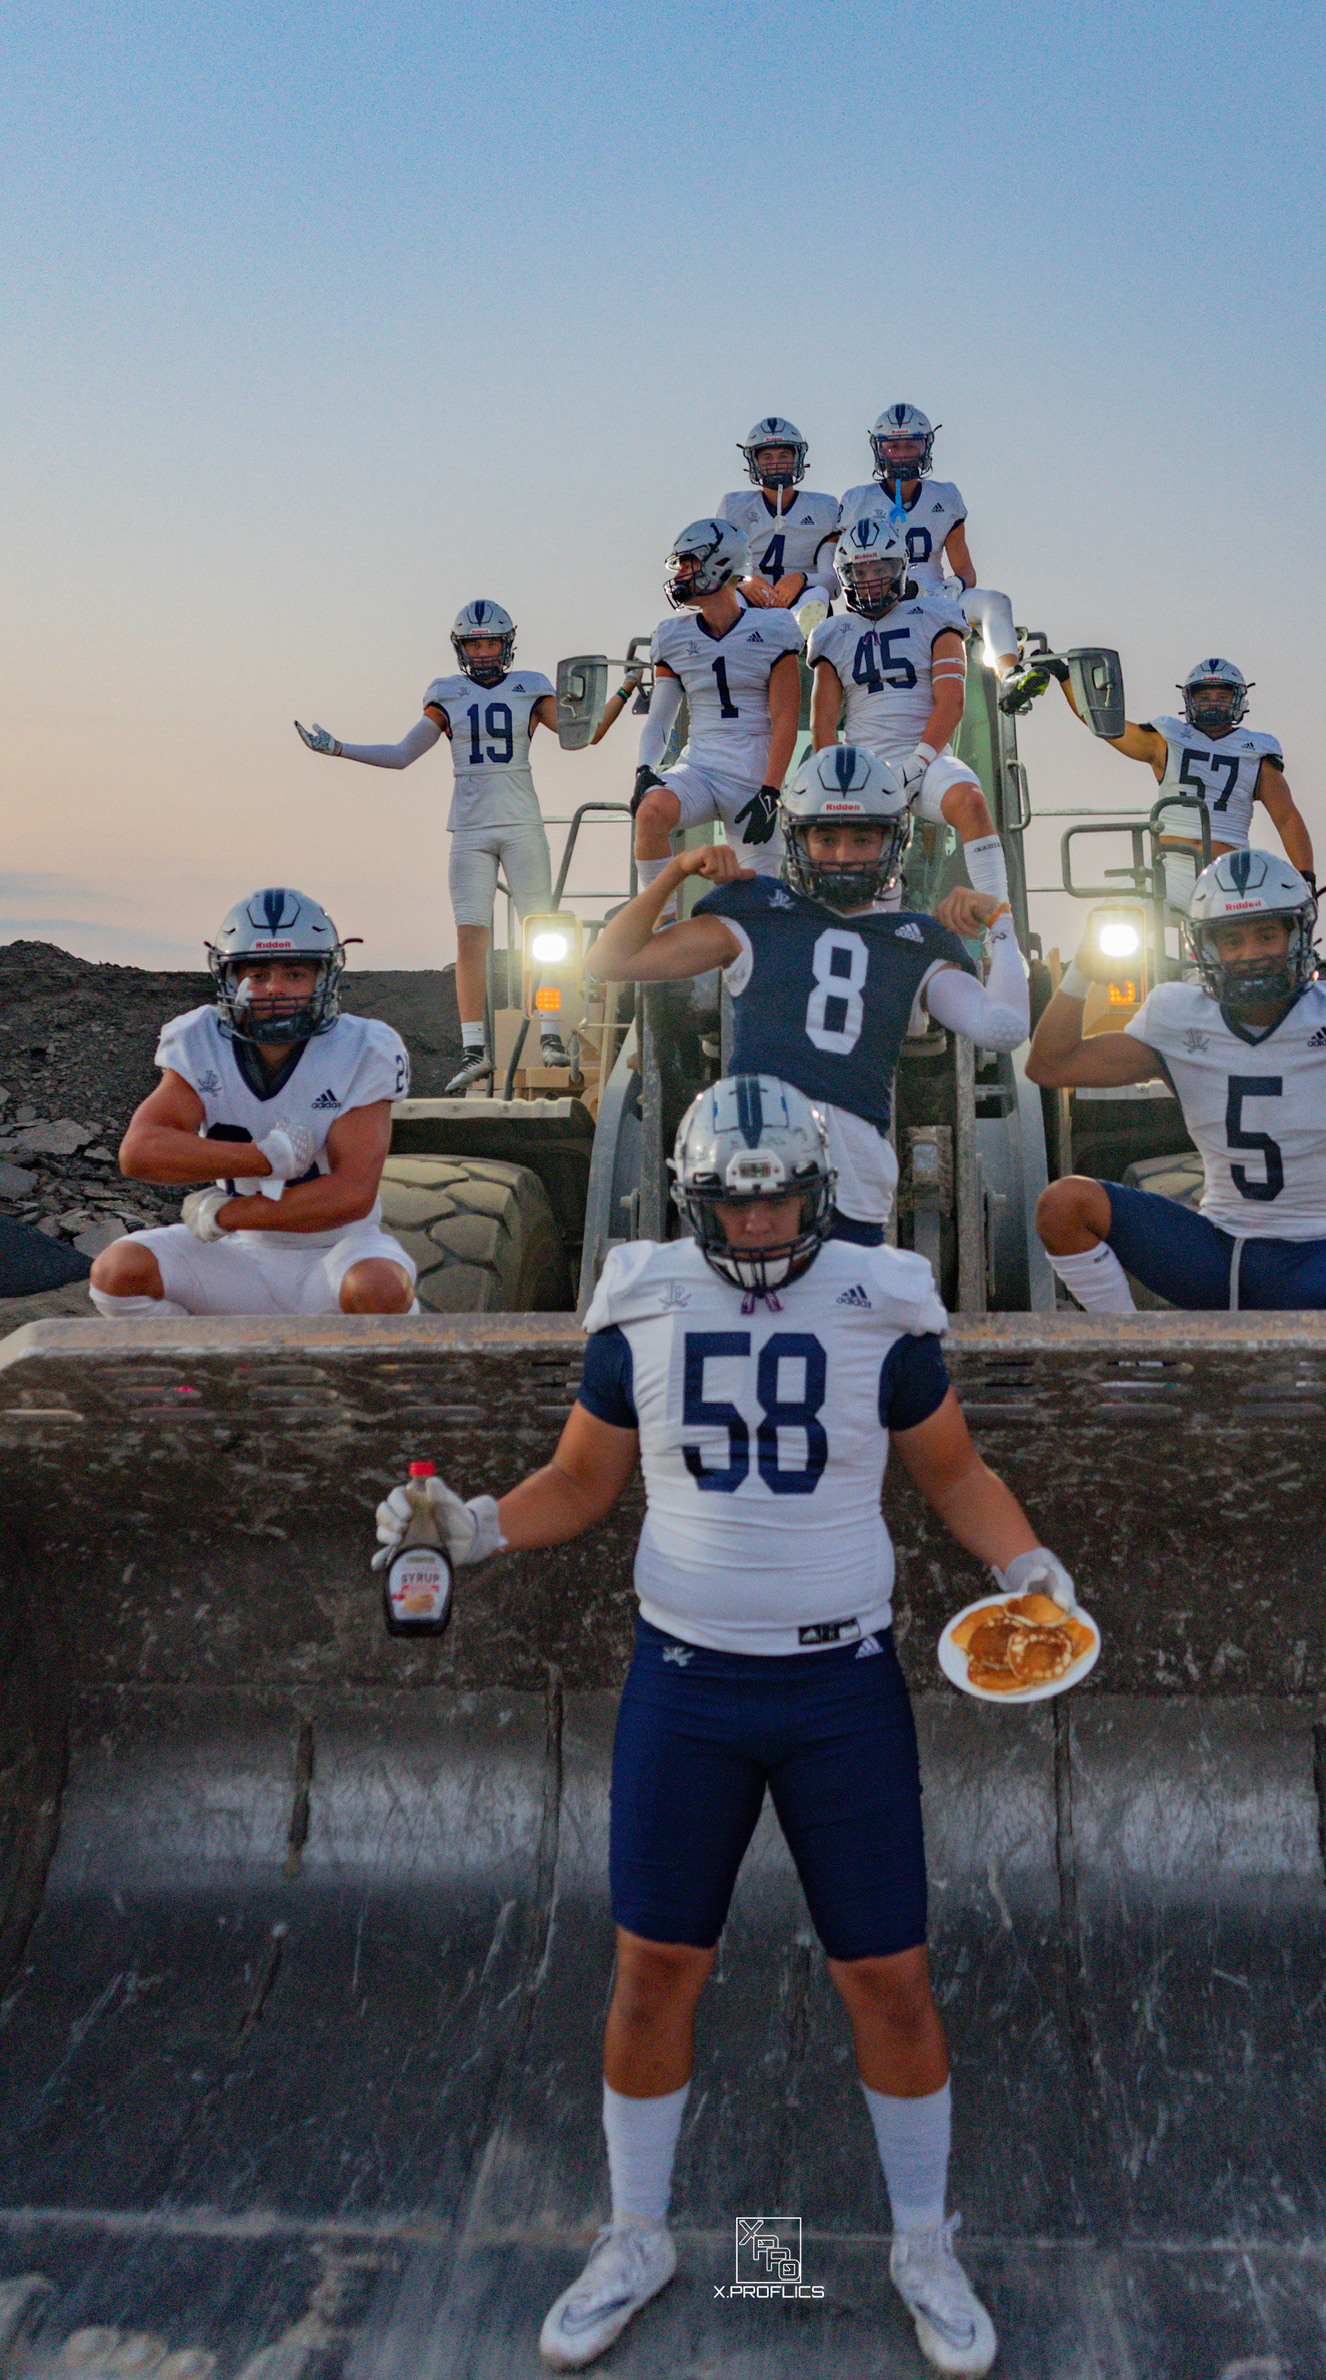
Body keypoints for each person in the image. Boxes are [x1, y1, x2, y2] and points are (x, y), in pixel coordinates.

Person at [374, 1076, 1078, 2373]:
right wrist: (470, 1527)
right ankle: (636, 2228)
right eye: (736, 1205)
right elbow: (580, 1481)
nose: (760, 1230)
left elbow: (955, 1471)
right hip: (687, 1682)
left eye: (782, 1202)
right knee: (654, 1968)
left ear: (819, 1193)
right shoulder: (644, 1294)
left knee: (891, 1975)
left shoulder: (881, 1299)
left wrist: (1026, 1564)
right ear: (695, 1202)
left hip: (839, 1686)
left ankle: (923, 2236)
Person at [1025, 849, 1326, 1313]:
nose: (1250, 954)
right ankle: (1133, 1361)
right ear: (1206, 946)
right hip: (1217, 1250)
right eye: (1232, 938)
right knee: (1064, 1205)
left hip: (1319, 1253)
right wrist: (1080, 974)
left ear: (1298, 935)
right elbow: (1050, 1066)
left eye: (1266, 935)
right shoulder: (1177, 1014)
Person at [590, 746, 1032, 1241]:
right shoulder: (897, 937)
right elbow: (611, 962)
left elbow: (1003, 1029)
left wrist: (998, 920)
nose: (843, 856)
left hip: (773, 1157)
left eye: (862, 838)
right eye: (826, 837)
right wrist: (1002, 926)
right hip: (788, 1161)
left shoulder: (899, 939)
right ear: (797, 838)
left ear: (894, 841)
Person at [89, 888, 417, 1318]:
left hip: (336, 1253)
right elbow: (140, 1153)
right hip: (237, 1261)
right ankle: (196, 1376)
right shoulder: (200, 1037)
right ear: (229, 979)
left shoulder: (363, 1046)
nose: (274, 989)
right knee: (118, 1271)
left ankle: (354, 1384)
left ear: (325, 977)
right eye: (256, 975)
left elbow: (351, 1194)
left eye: (294, 973)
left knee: (379, 1288)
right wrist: (264, 1158)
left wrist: (227, 1216)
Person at [295, 599, 570, 1093]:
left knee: (540, 933)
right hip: (468, 828)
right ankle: (474, 1049)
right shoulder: (448, 693)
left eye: (490, 643)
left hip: (523, 823)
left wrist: (616, 695)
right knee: (470, 938)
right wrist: (339, 749)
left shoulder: (533, 685)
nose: (483, 653)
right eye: (474, 644)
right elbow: (403, 755)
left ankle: (550, 1033)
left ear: (505, 645)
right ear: (461, 648)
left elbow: (578, 736)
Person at [808, 516, 1012, 909]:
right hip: (866, 767)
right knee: (869, 865)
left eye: (880, 568)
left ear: (900, 568)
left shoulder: (934, 615)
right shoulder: (832, 633)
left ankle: (1000, 928)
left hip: (928, 757)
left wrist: (916, 764)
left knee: (971, 801)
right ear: (844, 575)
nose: (870, 579)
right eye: (860, 570)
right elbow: (822, 724)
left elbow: (951, 702)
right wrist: (839, 781)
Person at [1040, 649, 1314, 919]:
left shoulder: (1256, 751)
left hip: (1229, 875)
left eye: (1221, 696)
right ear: (1190, 699)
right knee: (1111, 915)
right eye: (1204, 697)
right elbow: (1103, 724)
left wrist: (1305, 877)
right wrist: (1065, 676)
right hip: (1171, 870)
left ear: (1237, 700)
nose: (1212, 703)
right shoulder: (1167, 738)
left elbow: (1286, 818)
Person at [630, 518, 804, 900]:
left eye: (688, 562)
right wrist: (645, 768)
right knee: (651, 811)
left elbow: (786, 719)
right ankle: (661, 926)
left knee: (759, 899)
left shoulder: (774, 627)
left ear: (720, 563)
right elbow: (661, 715)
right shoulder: (672, 636)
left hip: (754, 770)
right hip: (701, 765)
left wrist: (771, 789)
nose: (680, 574)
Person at [838, 404, 1025, 701]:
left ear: (925, 447)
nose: (901, 454)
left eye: (910, 445)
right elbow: (845, 566)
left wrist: (951, 588)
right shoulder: (858, 500)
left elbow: (966, 571)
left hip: (938, 595)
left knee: (995, 602)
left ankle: (1011, 678)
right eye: (893, 446)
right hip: (886, 600)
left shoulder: (945, 495)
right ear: (879, 449)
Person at [716, 415, 842, 608]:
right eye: (767, 457)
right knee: (732, 598)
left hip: (800, 600)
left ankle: (807, 637)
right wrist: (743, 580)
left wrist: (802, 579)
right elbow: (717, 569)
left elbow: (833, 586)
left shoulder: (824, 509)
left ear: (796, 459)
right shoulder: (734, 506)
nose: (776, 463)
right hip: (750, 600)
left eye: (783, 456)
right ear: (755, 462)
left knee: (817, 596)